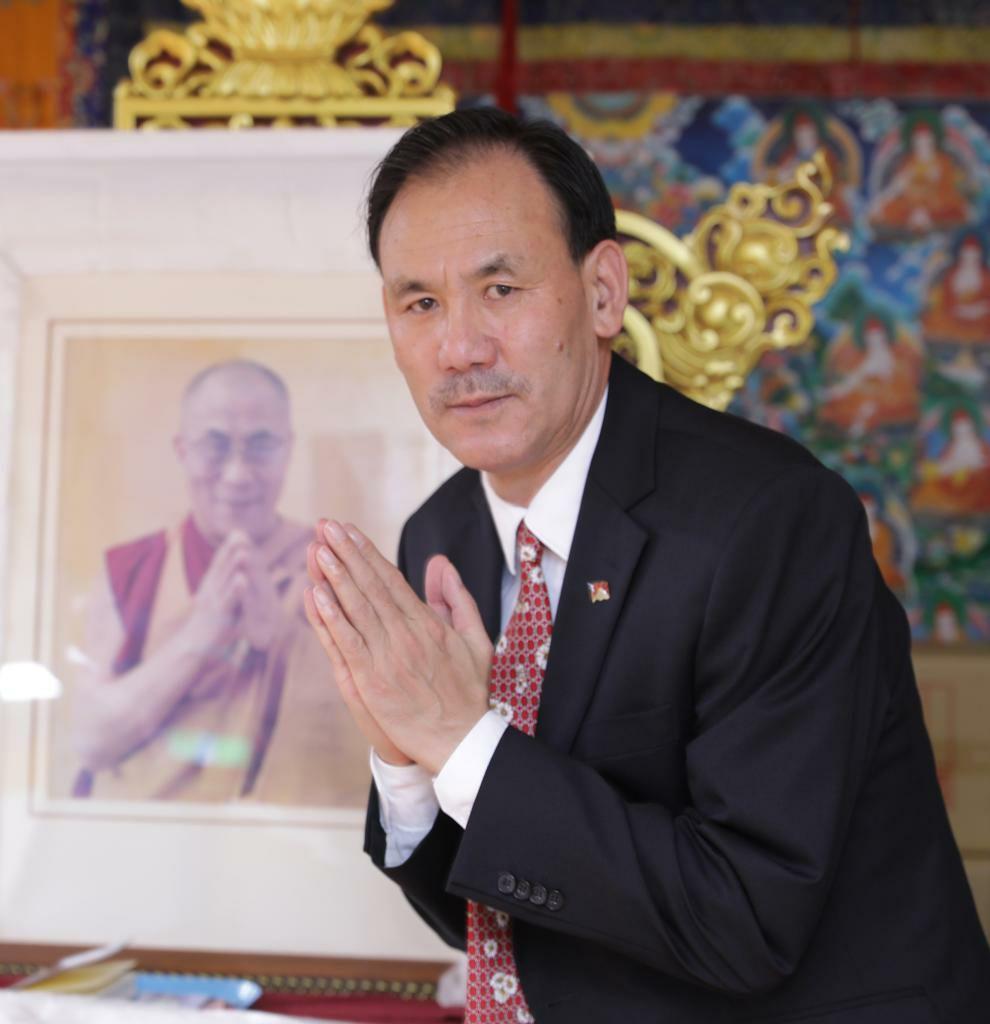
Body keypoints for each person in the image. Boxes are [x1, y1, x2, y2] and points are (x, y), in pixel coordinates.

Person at [304, 109, 990, 1022]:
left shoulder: (770, 522)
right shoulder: (441, 540)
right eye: (419, 302)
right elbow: (495, 917)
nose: (459, 346)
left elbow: (747, 919)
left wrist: (460, 743)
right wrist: (405, 761)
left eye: (500, 288)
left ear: (602, 293)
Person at [71, 359, 368, 806]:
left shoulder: (336, 569)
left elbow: (374, 743)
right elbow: (91, 742)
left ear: (288, 449)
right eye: (215, 446)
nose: (237, 474)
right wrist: (199, 635)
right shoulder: (132, 569)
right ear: (182, 451)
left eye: (260, 445)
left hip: (288, 847)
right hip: (147, 845)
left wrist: (283, 640)